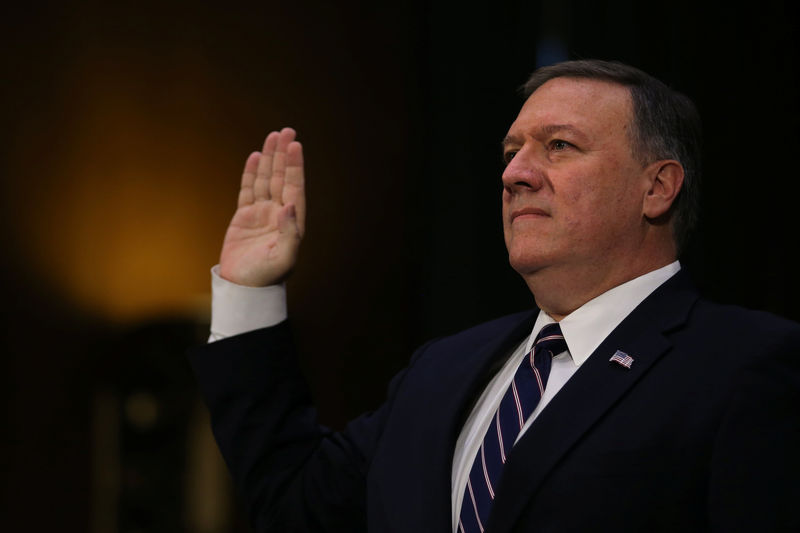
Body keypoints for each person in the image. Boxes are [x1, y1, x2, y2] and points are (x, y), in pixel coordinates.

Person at [189, 60, 800, 532]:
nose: (514, 174)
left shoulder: (750, 365)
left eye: (559, 146)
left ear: (658, 187)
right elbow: (295, 503)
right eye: (512, 152)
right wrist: (251, 293)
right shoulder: (442, 369)